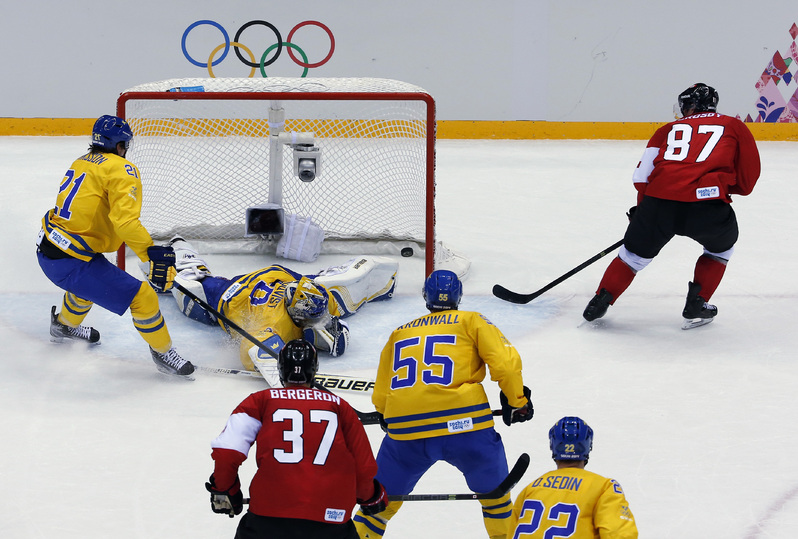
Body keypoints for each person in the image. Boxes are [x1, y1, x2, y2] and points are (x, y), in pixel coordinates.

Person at [353, 269, 533, 539]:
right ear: (459, 295)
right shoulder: (471, 320)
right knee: (497, 501)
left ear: (426, 296)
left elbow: (381, 393)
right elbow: (506, 366)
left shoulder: (399, 333)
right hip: (466, 429)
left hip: (406, 434)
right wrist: (517, 401)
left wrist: (385, 414)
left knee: (375, 507)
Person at [582, 83, 761, 329]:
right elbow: (747, 180)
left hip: (659, 203)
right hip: (707, 205)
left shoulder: (667, 129)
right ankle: (697, 303)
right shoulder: (734, 126)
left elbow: (642, 177)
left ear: (691, 105)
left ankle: (600, 300)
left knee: (632, 257)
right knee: (720, 250)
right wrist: (722, 188)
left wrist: (642, 209)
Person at [36, 115, 193, 376]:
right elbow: (125, 222)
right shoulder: (121, 168)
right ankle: (164, 354)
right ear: (121, 145)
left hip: (49, 248)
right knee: (143, 297)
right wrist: (150, 254)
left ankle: (63, 326)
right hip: (71, 260)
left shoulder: (81, 161)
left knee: (89, 283)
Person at [205, 339, 387, 539]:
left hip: (267, 520)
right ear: (314, 369)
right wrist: (370, 496)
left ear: (281, 369)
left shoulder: (259, 401)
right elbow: (363, 466)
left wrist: (225, 489)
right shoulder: (339, 406)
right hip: (331, 522)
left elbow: (227, 452)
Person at [165, 236, 398, 385]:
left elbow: (308, 287)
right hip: (230, 296)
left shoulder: (310, 294)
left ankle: (181, 250)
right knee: (190, 285)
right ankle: (177, 250)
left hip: (270, 276)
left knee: (336, 287)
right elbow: (253, 352)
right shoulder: (271, 325)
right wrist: (290, 374)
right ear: (297, 316)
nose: (320, 321)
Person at [507, 416, 638, 538]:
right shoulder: (603, 488)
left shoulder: (531, 489)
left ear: (552, 446)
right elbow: (619, 534)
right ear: (588, 446)